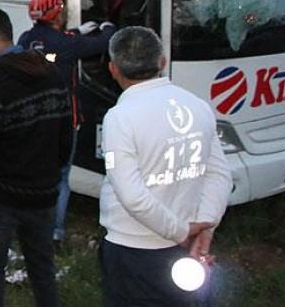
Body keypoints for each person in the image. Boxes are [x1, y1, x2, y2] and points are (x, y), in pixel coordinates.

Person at [99, 26, 231, 306]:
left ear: (113, 69)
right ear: (162, 62)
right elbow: (220, 174)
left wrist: (183, 232)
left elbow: (132, 196)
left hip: (134, 250)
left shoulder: (119, 118)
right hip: (188, 250)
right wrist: (204, 228)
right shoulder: (197, 106)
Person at [0, 8, 71, 307]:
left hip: (2, 197)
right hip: (43, 195)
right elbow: (66, 133)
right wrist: (52, 174)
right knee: (42, 269)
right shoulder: (51, 72)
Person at [18, 0, 116, 248]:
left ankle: (30, 227)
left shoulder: (27, 40)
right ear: (55, 14)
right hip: (63, 120)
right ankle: (55, 234)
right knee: (61, 178)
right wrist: (108, 27)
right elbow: (102, 44)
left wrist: (78, 31)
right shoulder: (66, 45)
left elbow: (53, 50)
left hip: (34, 119)